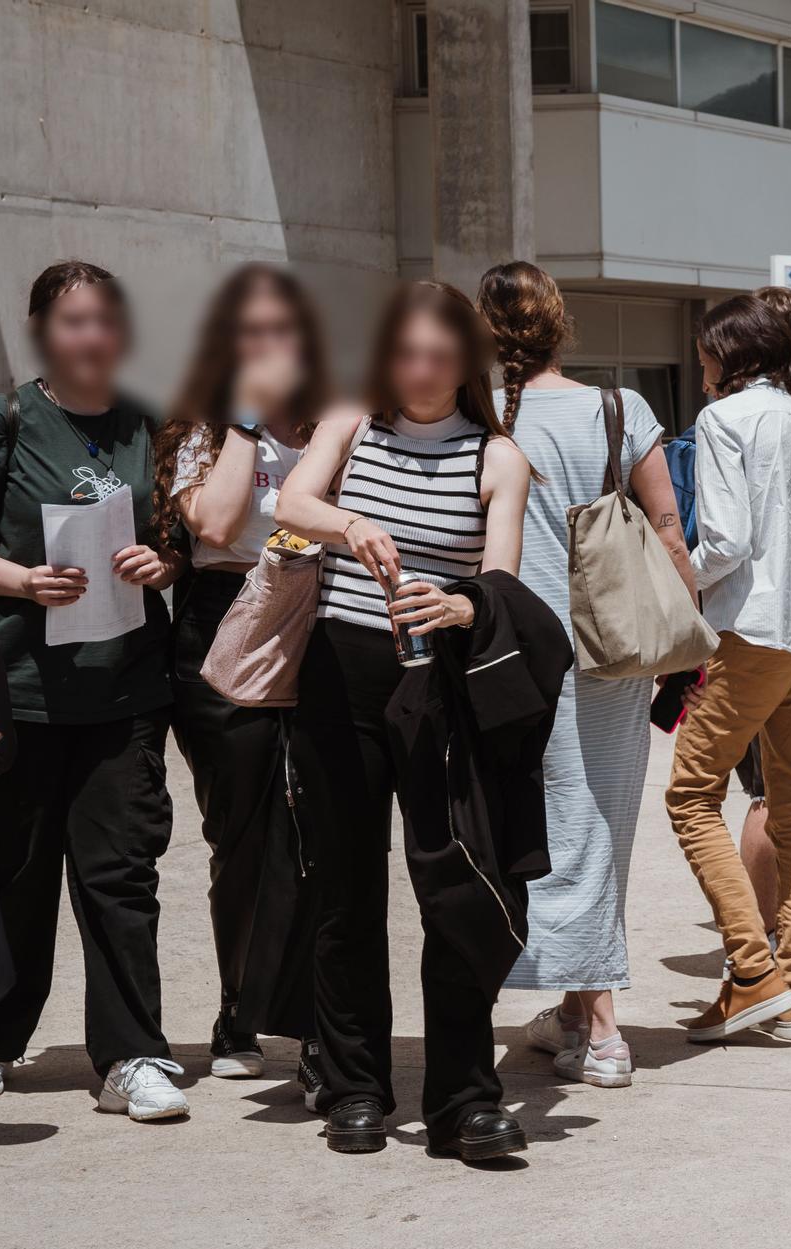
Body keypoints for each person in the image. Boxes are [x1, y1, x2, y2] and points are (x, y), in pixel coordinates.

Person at [274, 279, 535, 1159]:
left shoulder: (496, 457)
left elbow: (499, 580)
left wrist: (461, 606)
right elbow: (290, 504)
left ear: (468, 361)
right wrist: (352, 526)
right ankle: (355, 1086)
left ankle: (464, 1099)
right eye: (407, 350)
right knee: (345, 887)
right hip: (339, 676)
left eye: (440, 352)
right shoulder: (351, 421)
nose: (422, 367)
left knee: (453, 886)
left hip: (440, 687)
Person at [0, 260, 187, 1119]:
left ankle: (132, 1057)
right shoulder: (2, 421)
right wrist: (17, 579)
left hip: (125, 694)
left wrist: (163, 562)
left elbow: (178, 533)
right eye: (75, 321)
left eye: (107, 320)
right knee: (16, 874)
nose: (93, 337)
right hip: (22, 692)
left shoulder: (149, 422)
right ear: (44, 331)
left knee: (120, 878)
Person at [476, 260, 687, 1089]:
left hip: (508, 648)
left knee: (538, 822)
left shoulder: (481, 415)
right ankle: (593, 1023)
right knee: (598, 822)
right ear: (560, 323)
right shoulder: (619, 408)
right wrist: (684, 647)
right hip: (611, 650)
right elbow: (668, 534)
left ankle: (585, 1017)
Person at [663, 295, 791, 1044]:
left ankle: (753, 971)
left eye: (707, 353)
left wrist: (676, 579)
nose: (702, 366)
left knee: (690, 793)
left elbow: (725, 541)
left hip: (752, 631)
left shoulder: (723, 420)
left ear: (728, 357)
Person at [152, 263, 328, 1079]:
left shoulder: (334, 427)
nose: (269, 347)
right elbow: (218, 522)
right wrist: (249, 418)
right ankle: (238, 1011)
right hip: (220, 632)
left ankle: (320, 1010)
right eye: (251, 334)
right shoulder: (205, 428)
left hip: (319, 626)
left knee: (324, 826)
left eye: (281, 332)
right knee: (245, 834)